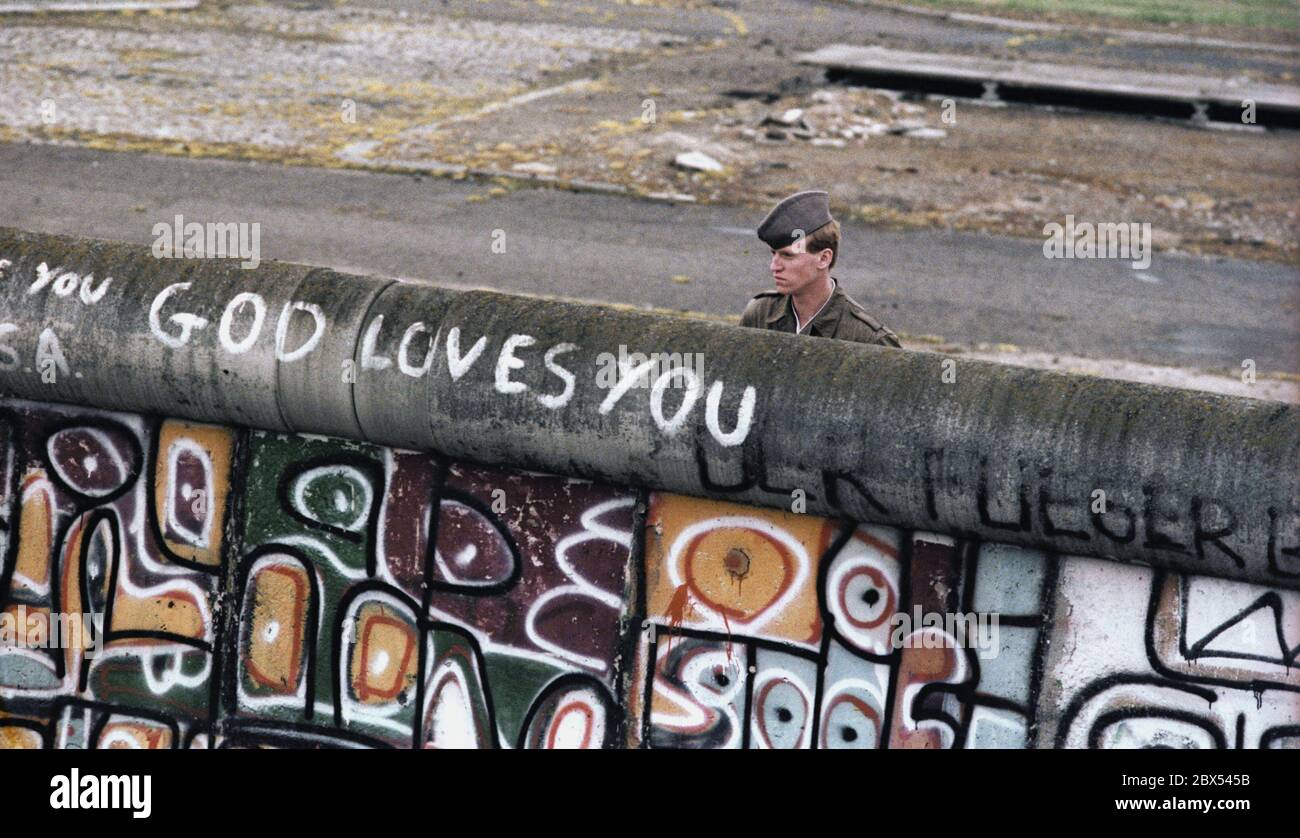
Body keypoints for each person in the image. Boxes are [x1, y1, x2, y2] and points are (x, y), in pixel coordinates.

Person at [740, 190, 901, 347]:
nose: (774, 266)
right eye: (774, 254)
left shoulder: (868, 339)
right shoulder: (760, 316)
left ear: (824, 258)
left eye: (787, 256)